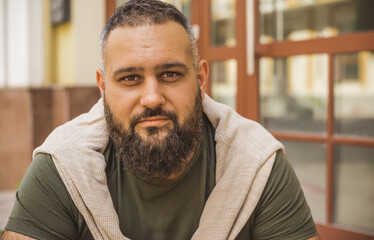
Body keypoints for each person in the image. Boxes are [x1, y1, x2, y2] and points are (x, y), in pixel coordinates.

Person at [2, 0, 320, 239]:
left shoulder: (257, 163)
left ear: (200, 78)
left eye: (170, 74)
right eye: (129, 78)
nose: (152, 97)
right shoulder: (63, 165)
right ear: (102, 87)